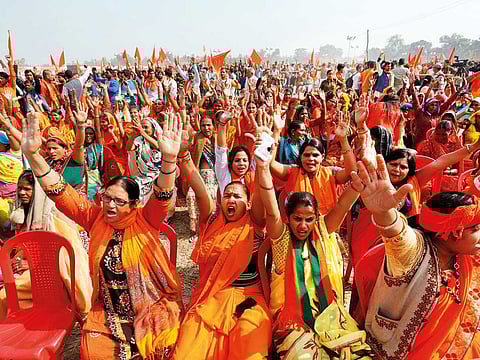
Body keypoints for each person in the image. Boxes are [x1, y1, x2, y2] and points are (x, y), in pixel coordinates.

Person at [21, 111, 184, 359]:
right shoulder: (94, 217)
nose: (110, 205)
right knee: (92, 353)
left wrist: (169, 160)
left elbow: (163, 195)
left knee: (163, 348)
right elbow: (60, 192)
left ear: (133, 204)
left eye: (118, 201)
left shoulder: (146, 218)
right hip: (108, 311)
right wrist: (33, 156)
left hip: (151, 306)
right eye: (106, 197)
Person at [352, 155, 480, 359]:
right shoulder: (415, 252)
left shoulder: (464, 257)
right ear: (452, 231)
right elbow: (399, 235)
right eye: (475, 228)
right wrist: (384, 212)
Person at [255, 143, 373, 359]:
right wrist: (263, 169)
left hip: (330, 316)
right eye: (297, 219)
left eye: (309, 219)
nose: (303, 226)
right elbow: (272, 212)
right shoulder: (282, 241)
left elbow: (343, 205)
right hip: (294, 324)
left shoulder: (323, 231)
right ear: (288, 219)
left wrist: (359, 183)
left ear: (316, 218)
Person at [172, 129, 272, 360]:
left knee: (249, 347)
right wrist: (184, 154)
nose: (232, 200)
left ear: (247, 203)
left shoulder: (254, 222)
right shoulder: (211, 221)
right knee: (186, 351)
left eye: (238, 196)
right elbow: (198, 188)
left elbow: (260, 194)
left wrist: (263, 159)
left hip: (250, 297)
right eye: (228, 195)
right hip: (212, 297)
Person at [1, 170, 93, 320]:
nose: (22, 192)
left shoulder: (52, 218)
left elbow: (63, 257)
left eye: (27, 189)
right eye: (19, 188)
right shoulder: (22, 212)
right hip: (26, 269)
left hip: (48, 274)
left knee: (4, 296)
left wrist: (30, 264)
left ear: (37, 191)